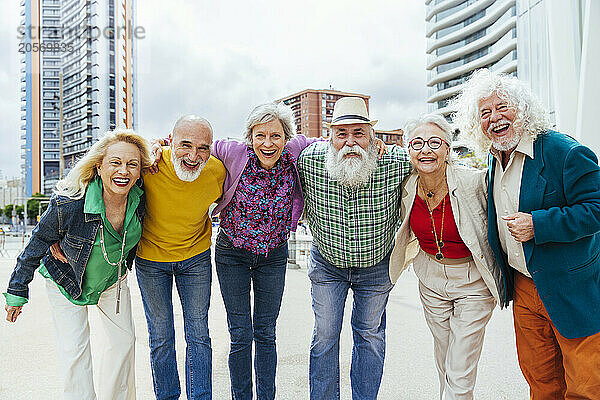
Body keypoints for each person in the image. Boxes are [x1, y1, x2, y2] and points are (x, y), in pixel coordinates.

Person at [452, 68, 600, 399]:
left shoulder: (564, 151)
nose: (494, 118)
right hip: (525, 288)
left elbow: (596, 209)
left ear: (524, 108)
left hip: (572, 288)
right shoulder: (494, 159)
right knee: (542, 381)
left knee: (586, 386)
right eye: (485, 113)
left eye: (502, 107)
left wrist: (539, 224)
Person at [4, 129, 151, 400]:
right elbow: (35, 244)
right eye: (115, 162)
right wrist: (16, 292)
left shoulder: (140, 199)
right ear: (99, 165)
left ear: (141, 170)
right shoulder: (69, 204)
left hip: (111, 281)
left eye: (132, 164)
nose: (124, 170)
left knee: (123, 343)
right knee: (76, 352)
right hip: (67, 280)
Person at [298, 96, 411, 400]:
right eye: (342, 134)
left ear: (373, 137)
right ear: (329, 136)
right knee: (324, 337)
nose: (350, 142)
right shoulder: (308, 160)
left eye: (359, 133)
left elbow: (435, 161)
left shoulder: (397, 162)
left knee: (369, 337)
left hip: (377, 267)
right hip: (327, 264)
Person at [389, 114, 505, 399]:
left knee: (460, 366)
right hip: (430, 276)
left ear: (448, 149)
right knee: (444, 360)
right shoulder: (406, 183)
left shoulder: (473, 181)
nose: (425, 149)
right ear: (409, 150)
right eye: (417, 143)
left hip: (472, 279)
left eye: (434, 142)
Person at [136, 115, 225, 400]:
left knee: (199, 334)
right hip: (150, 260)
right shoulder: (149, 164)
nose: (193, 155)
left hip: (195, 258)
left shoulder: (217, 172)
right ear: (170, 141)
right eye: (185, 145)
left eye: (202, 148)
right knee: (161, 337)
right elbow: (103, 175)